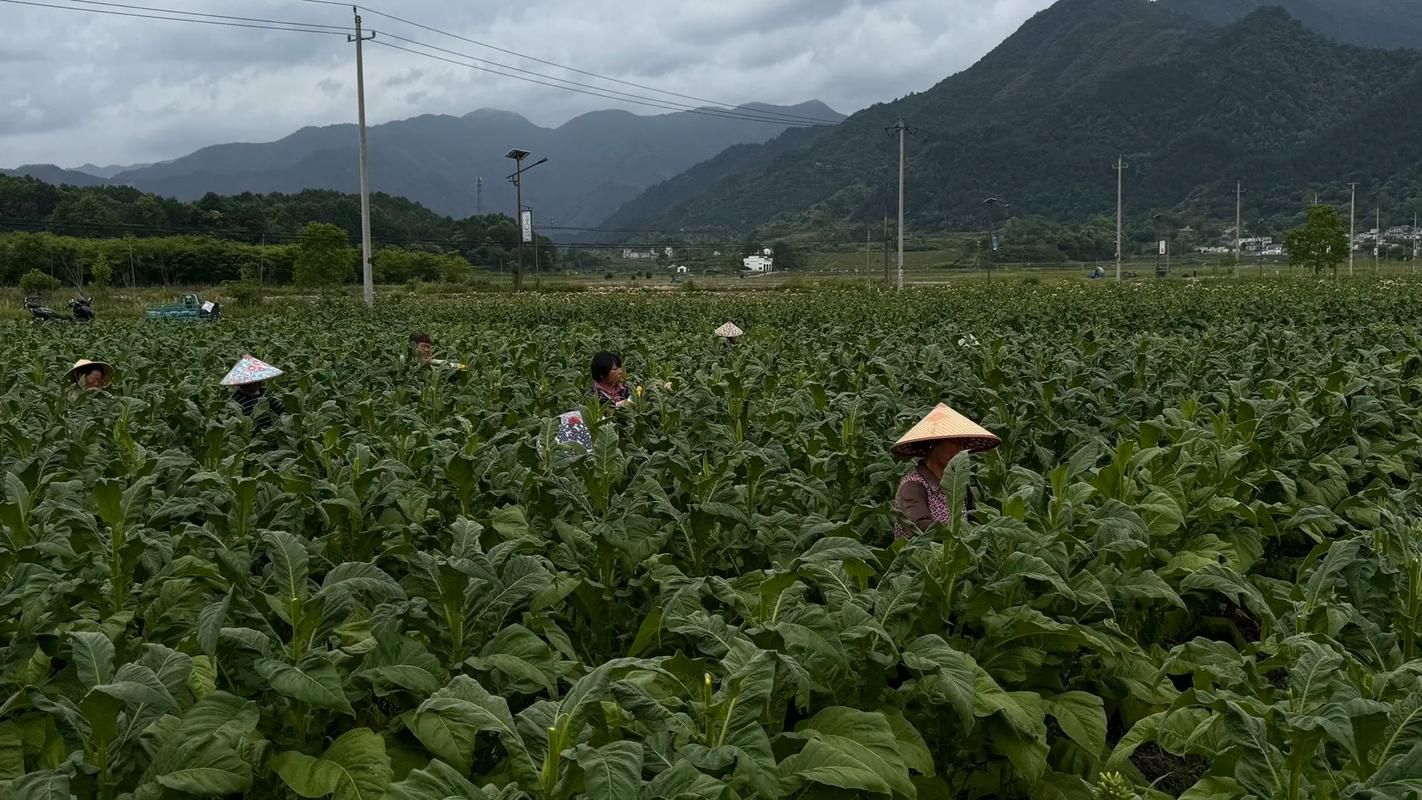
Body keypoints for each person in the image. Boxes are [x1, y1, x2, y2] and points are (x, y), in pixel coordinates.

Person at [891, 403, 1000, 538]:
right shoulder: (913, 485)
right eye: (954, 443)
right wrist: (955, 535)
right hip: (926, 557)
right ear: (934, 444)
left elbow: (974, 520)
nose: (960, 451)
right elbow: (918, 527)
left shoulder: (958, 483)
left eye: (963, 444)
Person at [221, 354, 286, 431]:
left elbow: (283, 410)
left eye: (257, 381)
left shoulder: (265, 396)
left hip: (270, 435)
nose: (255, 384)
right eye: (251, 382)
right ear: (242, 383)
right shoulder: (235, 400)